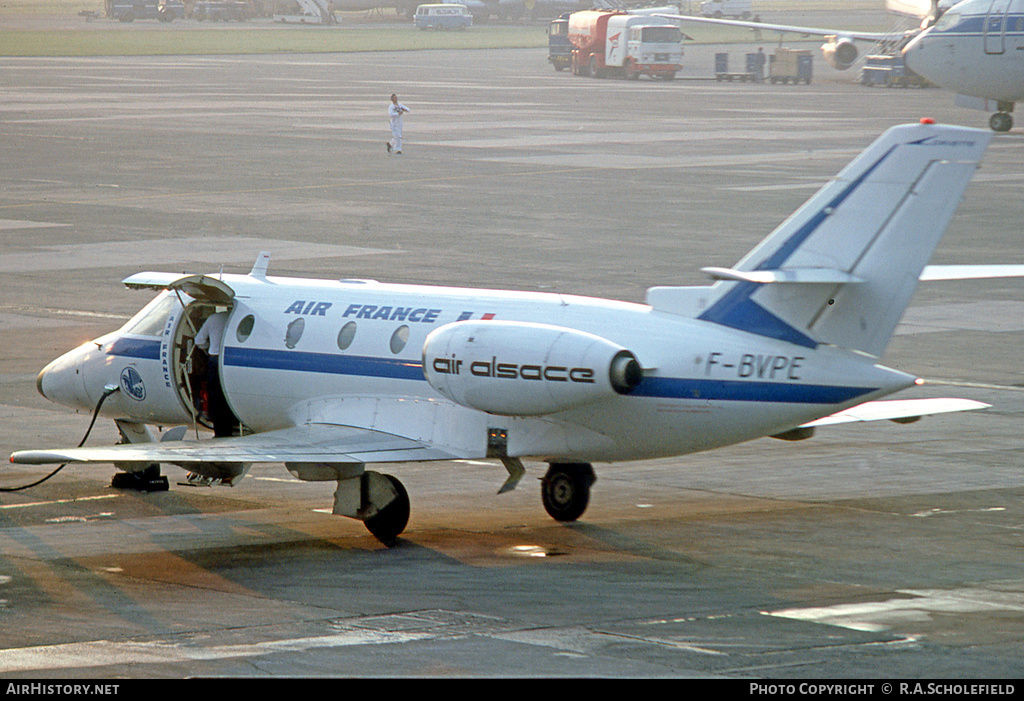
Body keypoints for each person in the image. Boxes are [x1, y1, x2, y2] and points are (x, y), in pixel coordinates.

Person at [194, 310, 233, 437]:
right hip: (230, 359)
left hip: (215, 358)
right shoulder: (233, 318)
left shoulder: (213, 318)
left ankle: (220, 431)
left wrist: (207, 348)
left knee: (216, 396)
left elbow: (199, 340)